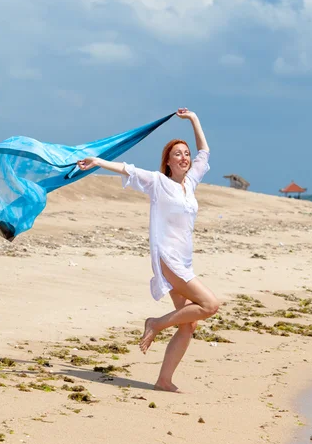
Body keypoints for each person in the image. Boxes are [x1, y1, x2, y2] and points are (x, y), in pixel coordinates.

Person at [77, 108, 219, 392]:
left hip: (185, 262)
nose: (184, 157)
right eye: (177, 153)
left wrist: (194, 119)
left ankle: (163, 380)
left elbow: (205, 151)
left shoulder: (189, 185)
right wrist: (97, 162)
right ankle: (155, 323)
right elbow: (127, 168)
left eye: (186, 153)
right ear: (168, 160)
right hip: (169, 260)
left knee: (189, 324)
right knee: (209, 305)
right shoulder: (158, 183)